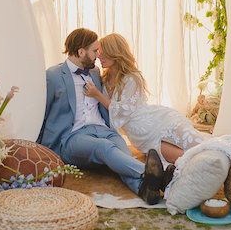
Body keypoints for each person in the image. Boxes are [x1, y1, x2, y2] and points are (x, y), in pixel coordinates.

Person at [37, 27, 172, 204]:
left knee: (121, 154)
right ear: (81, 51)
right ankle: (154, 175)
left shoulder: (94, 73)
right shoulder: (53, 75)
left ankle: (145, 190)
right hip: (72, 136)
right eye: (94, 51)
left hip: (104, 129)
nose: (98, 55)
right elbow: (43, 112)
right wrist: (38, 147)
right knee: (105, 148)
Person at [84, 32, 207, 164]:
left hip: (158, 122)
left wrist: (97, 94)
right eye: (98, 52)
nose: (99, 56)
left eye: (103, 52)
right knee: (188, 158)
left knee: (201, 148)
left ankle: (227, 152)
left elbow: (123, 111)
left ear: (115, 52)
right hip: (141, 137)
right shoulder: (104, 79)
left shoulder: (132, 78)